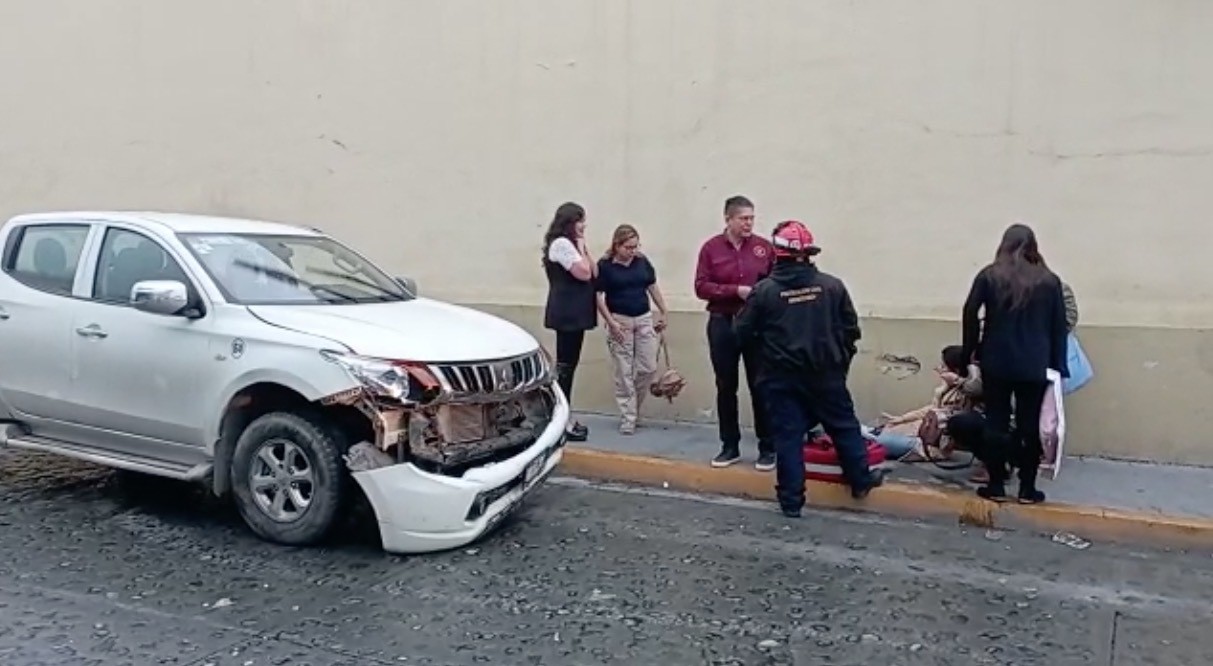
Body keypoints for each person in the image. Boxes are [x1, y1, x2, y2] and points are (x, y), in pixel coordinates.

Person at [734, 220, 886, 517]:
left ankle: (791, 502)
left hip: (780, 379)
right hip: (826, 374)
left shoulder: (763, 293)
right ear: (808, 253)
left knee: (788, 438)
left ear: (778, 254)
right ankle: (860, 480)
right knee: (843, 426)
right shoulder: (832, 286)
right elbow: (850, 330)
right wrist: (839, 361)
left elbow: (741, 334)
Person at [961, 222, 1069, 504]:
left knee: (995, 421)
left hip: (996, 360)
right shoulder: (1049, 281)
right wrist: (1058, 366)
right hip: (1035, 362)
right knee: (1028, 424)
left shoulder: (989, 276)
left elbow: (970, 314)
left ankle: (995, 484)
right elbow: (1058, 327)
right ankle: (1027, 489)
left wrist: (968, 354)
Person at [694, 195, 776, 470]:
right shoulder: (711, 249)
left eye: (752, 218)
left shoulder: (764, 248)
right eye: (743, 218)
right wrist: (734, 290)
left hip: (755, 325)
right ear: (728, 219)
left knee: (761, 385)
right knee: (726, 386)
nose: (749, 223)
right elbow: (701, 286)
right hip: (723, 321)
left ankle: (767, 446)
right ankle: (729, 446)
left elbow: (775, 283)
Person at [595, 224, 669, 435]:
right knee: (623, 371)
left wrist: (663, 310)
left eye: (635, 246)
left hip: (643, 318)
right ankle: (628, 416)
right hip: (620, 319)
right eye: (628, 247)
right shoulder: (606, 266)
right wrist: (611, 322)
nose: (632, 251)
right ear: (617, 245)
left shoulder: (642, 262)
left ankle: (633, 405)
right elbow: (598, 296)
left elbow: (652, 286)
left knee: (648, 367)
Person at [867, 345, 983, 462]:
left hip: (925, 446)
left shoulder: (963, 395)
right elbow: (930, 409)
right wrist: (902, 419)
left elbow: (938, 419)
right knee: (872, 432)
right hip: (918, 436)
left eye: (943, 366)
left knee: (877, 441)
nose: (939, 369)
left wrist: (955, 383)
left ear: (955, 371)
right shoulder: (947, 389)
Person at [542, 202, 598, 442]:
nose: (584, 225)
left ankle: (562, 416)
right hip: (567, 313)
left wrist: (583, 246)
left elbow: (594, 270)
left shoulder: (572, 245)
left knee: (569, 365)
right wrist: (582, 245)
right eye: (581, 220)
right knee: (565, 368)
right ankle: (559, 420)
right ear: (570, 222)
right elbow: (583, 273)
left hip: (576, 313)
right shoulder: (561, 245)